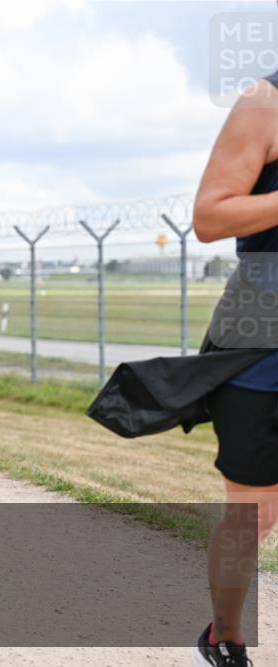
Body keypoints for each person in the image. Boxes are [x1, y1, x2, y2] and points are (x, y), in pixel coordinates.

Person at [189, 71, 278, 667]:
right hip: (263, 334)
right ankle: (225, 638)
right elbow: (210, 217)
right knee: (254, 513)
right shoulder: (265, 101)